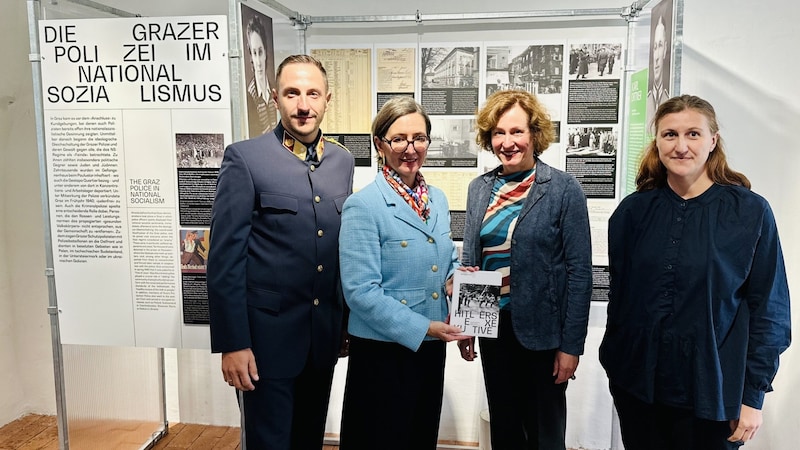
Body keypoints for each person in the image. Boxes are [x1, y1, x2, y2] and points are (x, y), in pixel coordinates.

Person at [600, 95, 791, 449]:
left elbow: (770, 309)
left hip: (714, 396)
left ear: (713, 140)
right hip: (639, 390)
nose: (681, 146)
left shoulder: (749, 213)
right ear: (657, 141)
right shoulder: (633, 213)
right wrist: (614, 362)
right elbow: (621, 297)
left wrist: (752, 396)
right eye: (670, 135)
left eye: (693, 134)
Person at [207, 55, 354, 450]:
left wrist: (342, 324)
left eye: (312, 94)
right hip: (265, 344)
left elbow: (338, 249)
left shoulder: (342, 161)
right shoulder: (246, 159)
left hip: (321, 340)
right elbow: (224, 260)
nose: (303, 105)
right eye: (292, 93)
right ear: (275, 98)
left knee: (309, 441)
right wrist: (232, 343)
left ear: (327, 99)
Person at [457, 89, 593, 450]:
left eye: (517, 131)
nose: (508, 142)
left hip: (544, 336)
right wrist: (467, 325)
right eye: (499, 133)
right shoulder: (479, 189)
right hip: (494, 331)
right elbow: (472, 260)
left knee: (545, 433)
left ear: (534, 134)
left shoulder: (564, 189)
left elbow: (580, 273)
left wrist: (571, 345)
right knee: (504, 427)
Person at [338, 96, 467, 450]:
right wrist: (424, 326)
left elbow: (444, 263)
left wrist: (459, 286)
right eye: (398, 139)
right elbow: (360, 291)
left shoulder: (437, 199)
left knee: (420, 437)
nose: (410, 149)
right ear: (380, 145)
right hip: (384, 354)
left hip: (430, 348)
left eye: (419, 138)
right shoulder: (363, 205)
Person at [245, 15, 278, 137]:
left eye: (260, 52)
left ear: (265, 53)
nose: (258, 61)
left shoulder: (274, 89)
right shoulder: (250, 97)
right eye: (254, 53)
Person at [647, 14, 670, 127]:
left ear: (665, 49)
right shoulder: (646, 101)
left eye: (660, 46)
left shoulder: (669, 99)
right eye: (655, 47)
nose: (656, 58)